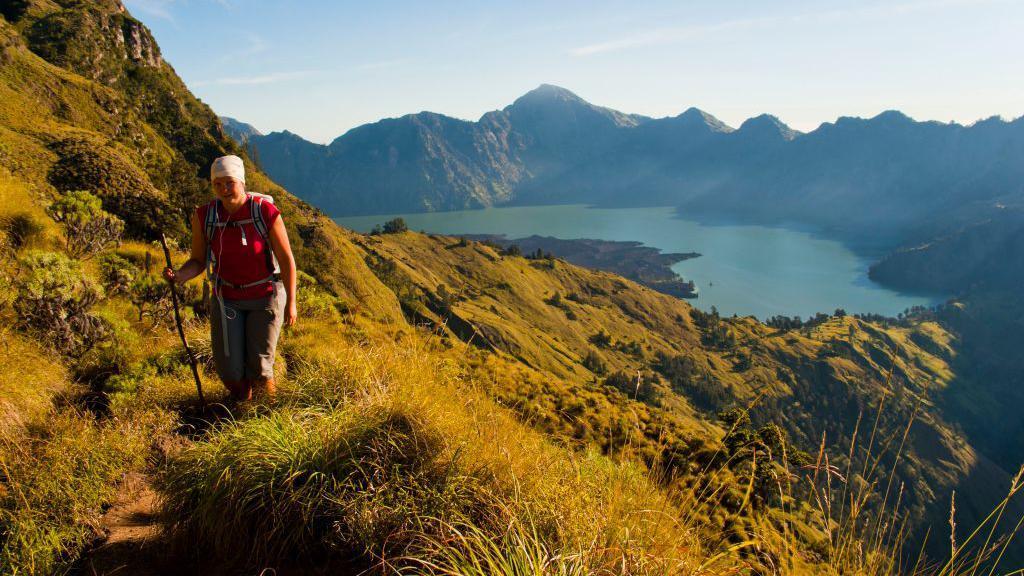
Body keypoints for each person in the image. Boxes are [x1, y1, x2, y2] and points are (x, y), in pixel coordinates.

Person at [163, 155, 297, 400]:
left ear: (241, 182)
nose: (224, 189)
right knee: (230, 372)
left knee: (261, 369)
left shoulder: (265, 212)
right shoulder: (205, 216)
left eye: (229, 182)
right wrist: (180, 275)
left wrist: (291, 303)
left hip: (265, 297)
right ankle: (241, 408)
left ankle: (267, 414)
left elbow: (287, 260)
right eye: (218, 184)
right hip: (227, 299)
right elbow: (198, 260)